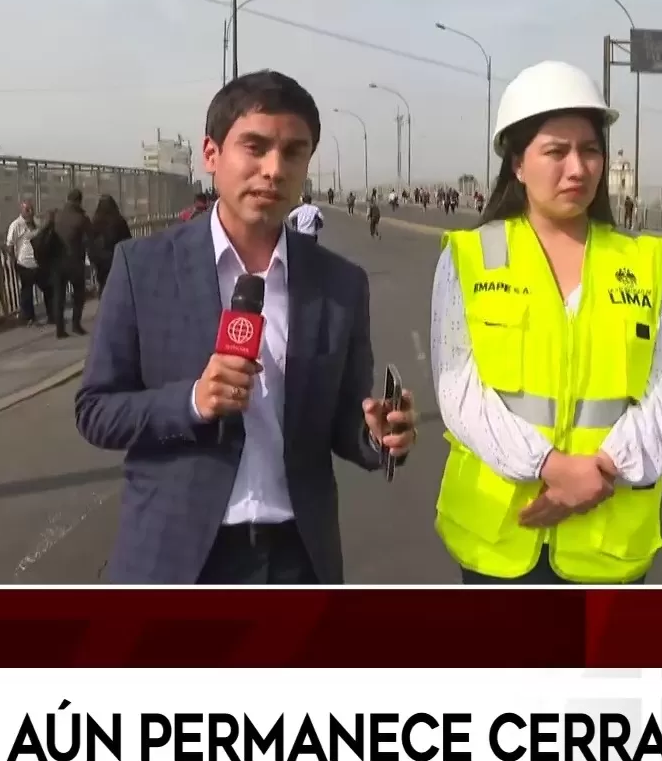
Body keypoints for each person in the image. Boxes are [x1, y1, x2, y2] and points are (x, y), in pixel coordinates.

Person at [74, 70, 415, 585]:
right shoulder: (140, 269)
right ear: (212, 155)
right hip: (176, 559)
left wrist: (375, 434)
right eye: (254, 147)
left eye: (294, 152)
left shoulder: (340, 284)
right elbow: (96, 410)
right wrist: (192, 401)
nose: (274, 170)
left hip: (296, 558)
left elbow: (345, 417)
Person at [430, 61, 662, 586]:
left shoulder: (641, 261)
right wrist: (551, 467)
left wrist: (597, 474)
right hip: (500, 539)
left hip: (604, 537)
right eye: (555, 151)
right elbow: (461, 393)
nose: (577, 168)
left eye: (590, 150)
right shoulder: (472, 256)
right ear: (517, 164)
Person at [47, 188, 92, 339]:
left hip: (57, 262)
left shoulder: (57, 215)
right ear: (79, 200)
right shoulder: (81, 218)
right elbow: (91, 237)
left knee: (58, 296)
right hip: (75, 262)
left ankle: (60, 329)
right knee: (79, 294)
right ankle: (76, 324)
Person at [6, 200, 45, 325]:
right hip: (24, 263)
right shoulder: (16, 225)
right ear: (21, 210)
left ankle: (51, 313)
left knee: (47, 286)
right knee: (27, 290)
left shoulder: (36, 223)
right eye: (27, 209)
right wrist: (13, 260)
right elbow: (10, 244)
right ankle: (28, 317)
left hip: (38, 263)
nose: (30, 212)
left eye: (31, 209)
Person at [87, 194, 133, 299]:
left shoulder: (95, 222)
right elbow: (127, 240)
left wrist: (93, 257)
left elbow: (90, 241)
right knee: (115, 285)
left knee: (103, 282)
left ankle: (103, 304)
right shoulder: (119, 221)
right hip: (115, 258)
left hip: (100, 260)